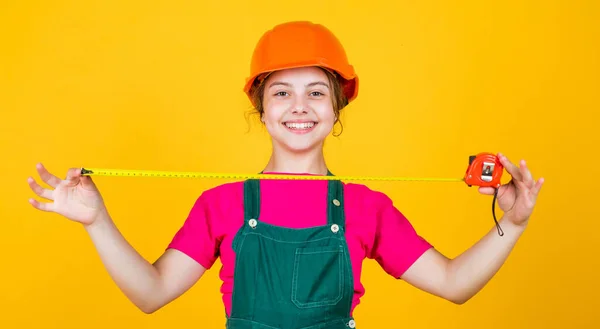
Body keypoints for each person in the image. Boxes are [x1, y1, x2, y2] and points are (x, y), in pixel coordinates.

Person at [26, 21, 544, 328]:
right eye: (282, 92)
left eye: (317, 91)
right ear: (262, 107)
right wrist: (97, 221)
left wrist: (512, 225)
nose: (300, 106)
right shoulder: (220, 205)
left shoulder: (367, 208)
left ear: (337, 110)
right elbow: (151, 294)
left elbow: (454, 284)